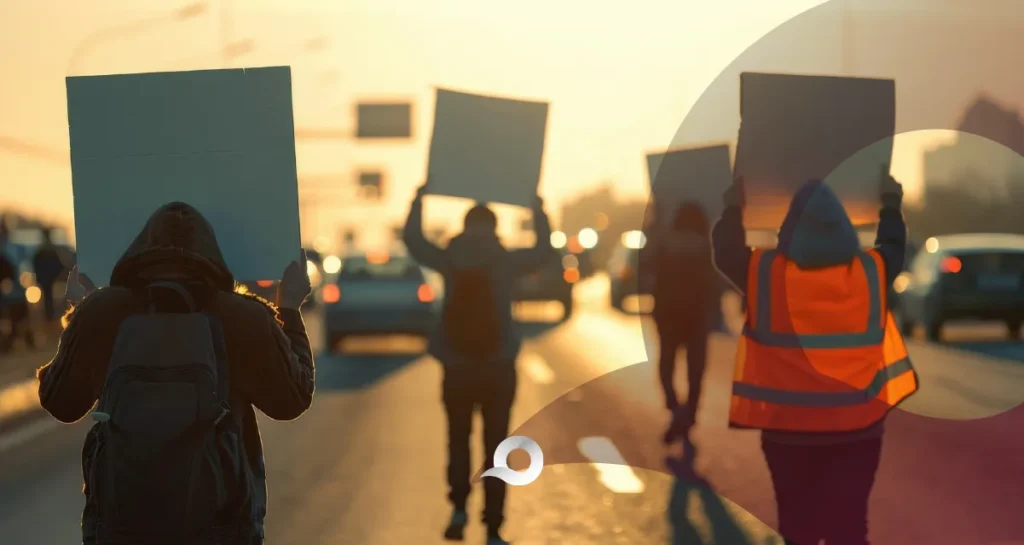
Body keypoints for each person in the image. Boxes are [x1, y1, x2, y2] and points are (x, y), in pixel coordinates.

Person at [36, 201, 315, 545]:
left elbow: (60, 402)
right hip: (222, 528)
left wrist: (80, 316)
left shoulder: (102, 311)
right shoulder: (244, 317)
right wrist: (289, 307)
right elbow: (292, 399)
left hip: (121, 527)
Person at [711, 169, 919, 545]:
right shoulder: (871, 272)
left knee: (798, 528)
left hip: (788, 437)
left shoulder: (766, 275)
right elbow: (894, 244)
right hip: (858, 431)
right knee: (851, 529)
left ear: (787, 231)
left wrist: (733, 207)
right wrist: (890, 202)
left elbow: (725, 251)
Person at [403, 184, 557, 545]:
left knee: (458, 439)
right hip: (498, 365)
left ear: (465, 225)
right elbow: (545, 251)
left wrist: (418, 200)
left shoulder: (449, 258)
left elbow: (414, 241)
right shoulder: (506, 260)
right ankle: (493, 527)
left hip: (457, 365)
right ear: (494, 227)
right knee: (496, 444)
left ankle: (458, 509)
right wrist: (538, 209)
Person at [641, 201, 717, 444]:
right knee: (696, 373)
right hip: (696, 318)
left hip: (669, 316)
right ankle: (688, 416)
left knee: (666, 367)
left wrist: (653, 226)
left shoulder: (666, 243)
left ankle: (677, 412)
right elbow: (716, 282)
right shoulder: (707, 246)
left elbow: (646, 264)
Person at [32, 227, 68, 324]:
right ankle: (50, 317)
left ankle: (50, 317)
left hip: (48, 278)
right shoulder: (47, 250)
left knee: (49, 299)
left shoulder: (44, 251)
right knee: (49, 299)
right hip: (49, 279)